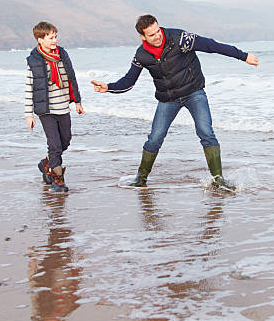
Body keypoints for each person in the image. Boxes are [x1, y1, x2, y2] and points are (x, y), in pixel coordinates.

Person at [91, 14, 258, 189]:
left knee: (206, 132)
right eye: (152, 35)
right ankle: (140, 179)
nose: (157, 36)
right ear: (142, 37)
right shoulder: (142, 55)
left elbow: (212, 46)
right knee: (154, 139)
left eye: (158, 31)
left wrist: (243, 56)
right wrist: (108, 87)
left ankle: (218, 179)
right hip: (168, 99)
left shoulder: (180, 39)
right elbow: (128, 81)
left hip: (193, 92)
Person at [25, 21, 84, 192]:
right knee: (55, 145)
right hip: (46, 110)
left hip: (63, 107)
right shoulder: (34, 61)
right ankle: (57, 179)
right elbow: (30, 88)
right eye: (51, 38)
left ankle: (46, 163)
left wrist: (78, 102)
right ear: (40, 39)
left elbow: (71, 79)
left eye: (55, 37)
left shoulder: (62, 55)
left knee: (65, 140)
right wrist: (29, 114)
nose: (54, 40)